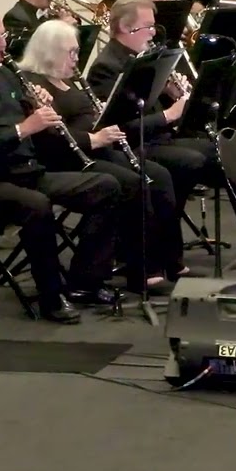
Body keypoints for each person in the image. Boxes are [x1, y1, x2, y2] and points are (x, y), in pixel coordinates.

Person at [0, 5, 124, 323]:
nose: (2, 43)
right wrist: (23, 128)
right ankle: (52, 296)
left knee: (106, 186)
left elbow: (25, 116)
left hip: (24, 171)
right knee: (36, 205)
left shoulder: (6, 72)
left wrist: (36, 103)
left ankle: (85, 281)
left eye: (3, 35)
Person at [87, 0, 236, 252]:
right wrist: (168, 115)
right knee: (190, 161)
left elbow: (153, 106)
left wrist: (173, 95)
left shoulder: (145, 56)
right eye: (148, 27)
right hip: (132, 146)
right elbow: (120, 126)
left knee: (231, 148)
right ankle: (163, 244)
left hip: (159, 138)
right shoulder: (106, 67)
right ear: (125, 28)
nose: (154, 33)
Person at [18, 18, 186, 288]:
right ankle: (137, 270)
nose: (77, 59)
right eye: (71, 52)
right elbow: (50, 138)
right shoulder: (34, 85)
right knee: (131, 184)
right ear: (49, 52)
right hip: (67, 159)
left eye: (77, 51)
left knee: (158, 175)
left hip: (96, 151)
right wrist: (94, 139)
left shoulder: (69, 79)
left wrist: (106, 115)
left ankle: (166, 259)